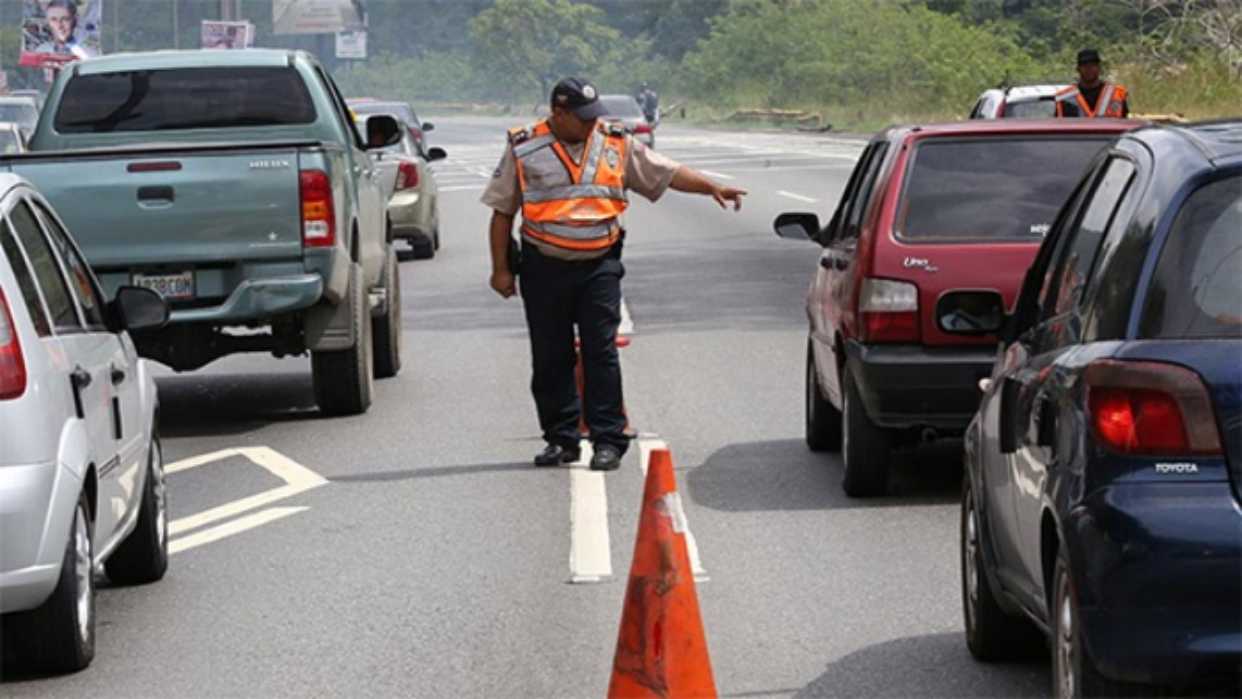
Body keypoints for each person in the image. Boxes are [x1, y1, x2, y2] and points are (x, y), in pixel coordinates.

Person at [481, 77, 746, 471]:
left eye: (594, 116)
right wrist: (501, 270)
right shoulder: (524, 147)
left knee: (600, 351)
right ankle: (561, 439)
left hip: (598, 265)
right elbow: (502, 213)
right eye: (582, 118)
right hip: (543, 266)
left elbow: (666, 173)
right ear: (558, 113)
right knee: (550, 355)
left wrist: (712, 188)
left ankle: (608, 439)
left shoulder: (614, 142)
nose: (591, 124)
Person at [1055, 49, 1128, 118]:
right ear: (1078, 69)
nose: (1089, 69)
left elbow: (1125, 125)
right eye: (1084, 65)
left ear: (1099, 68)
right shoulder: (1065, 99)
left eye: (1092, 65)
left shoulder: (1116, 94)